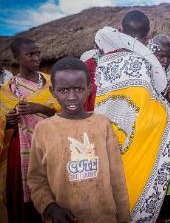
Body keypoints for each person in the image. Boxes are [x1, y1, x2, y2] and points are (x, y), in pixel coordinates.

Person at [93, 10, 170, 222]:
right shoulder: (143, 63)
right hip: (139, 142)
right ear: (147, 37)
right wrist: (167, 106)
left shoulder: (103, 62)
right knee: (137, 185)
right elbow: (149, 109)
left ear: (121, 31)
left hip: (107, 140)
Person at [27, 57, 129, 223]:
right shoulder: (44, 129)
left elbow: (117, 176)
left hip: (104, 217)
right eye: (64, 90)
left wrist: (124, 216)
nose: (72, 97)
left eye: (79, 89)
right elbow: (36, 179)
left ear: (88, 89)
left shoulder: (102, 124)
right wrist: (49, 206)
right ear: (53, 91)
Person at [0, 37, 60, 223]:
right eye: (30, 54)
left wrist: (40, 108)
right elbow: (3, 122)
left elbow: (66, 115)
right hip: (19, 153)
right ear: (17, 57)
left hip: (50, 149)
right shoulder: (7, 90)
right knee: (21, 203)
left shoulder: (52, 84)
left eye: (38, 53)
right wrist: (8, 122)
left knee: (53, 193)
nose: (36, 58)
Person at [152, 34, 170, 222]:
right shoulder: (143, 71)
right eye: (160, 55)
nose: (164, 60)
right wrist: (167, 90)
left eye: (167, 56)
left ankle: (168, 210)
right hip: (150, 131)